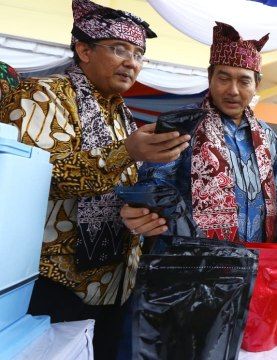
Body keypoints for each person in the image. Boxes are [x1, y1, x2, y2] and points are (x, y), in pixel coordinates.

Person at [0, 1, 190, 358]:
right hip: (52, 282)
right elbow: (39, 176)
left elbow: (118, 188)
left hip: (115, 283)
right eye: (119, 49)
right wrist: (126, 152)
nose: (132, 62)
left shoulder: (121, 112)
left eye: (138, 54)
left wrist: (140, 214)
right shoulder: (40, 94)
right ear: (83, 49)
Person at [121, 21, 277, 243]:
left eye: (244, 81)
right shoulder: (182, 124)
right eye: (223, 78)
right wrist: (145, 211)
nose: (233, 91)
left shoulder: (267, 136)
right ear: (210, 78)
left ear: (257, 85)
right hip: (191, 261)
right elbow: (154, 182)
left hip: (254, 260)